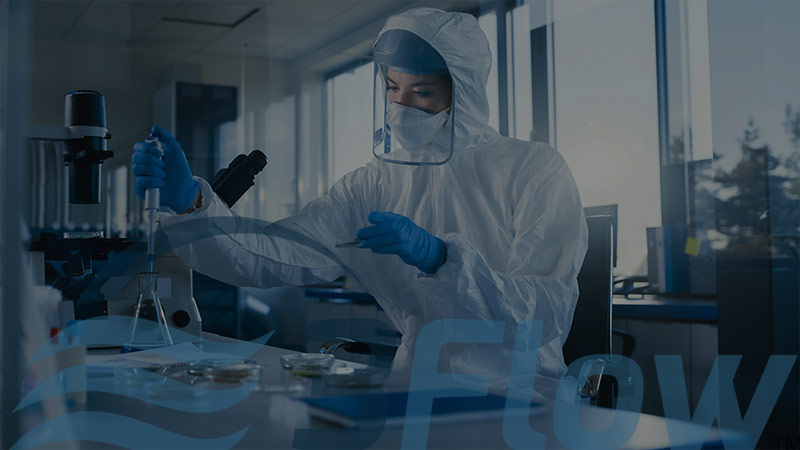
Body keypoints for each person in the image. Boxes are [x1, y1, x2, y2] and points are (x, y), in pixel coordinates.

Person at [132, 7, 587, 395]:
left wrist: (442, 259)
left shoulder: (533, 168)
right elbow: (277, 255)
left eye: (421, 91)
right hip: (416, 388)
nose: (401, 106)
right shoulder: (373, 183)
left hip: (520, 397)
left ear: (462, 91)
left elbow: (541, 314)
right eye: (393, 88)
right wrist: (191, 205)